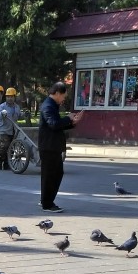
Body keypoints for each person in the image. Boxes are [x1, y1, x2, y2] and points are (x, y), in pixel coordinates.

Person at [37, 81, 83, 213]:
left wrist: (72, 122)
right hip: (49, 147)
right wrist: (68, 118)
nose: (63, 99)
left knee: (54, 174)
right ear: (57, 93)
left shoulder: (52, 105)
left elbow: (58, 125)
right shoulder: (48, 106)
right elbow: (53, 124)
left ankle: (45, 200)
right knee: (51, 175)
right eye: (63, 96)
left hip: (52, 146)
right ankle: (47, 203)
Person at [0, 87, 22, 170]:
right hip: (3, 129)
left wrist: (24, 114)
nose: (9, 98)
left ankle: (7, 162)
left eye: (11, 97)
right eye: (8, 96)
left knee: (12, 147)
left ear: (14, 97)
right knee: (5, 145)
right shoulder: (2, 106)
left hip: (13, 130)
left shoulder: (17, 107)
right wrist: (2, 113)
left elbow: (19, 115)